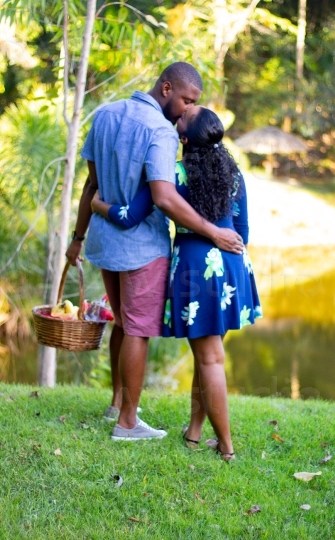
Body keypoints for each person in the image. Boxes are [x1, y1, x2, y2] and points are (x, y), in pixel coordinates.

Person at [66, 62, 243, 442]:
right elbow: (162, 198)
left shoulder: (105, 115)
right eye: (185, 99)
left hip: (104, 242)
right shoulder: (162, 131)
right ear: (166, 88)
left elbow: (90, 185)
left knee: (123, 323)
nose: (185, 110)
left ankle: (118, 402)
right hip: (142, 247)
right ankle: (128, 422)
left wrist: (77, 237)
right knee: (138, 329)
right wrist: (215, 232)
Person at [91, 106, 262, 460]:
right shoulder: (233, 172)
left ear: (183, 139)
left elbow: (129, 216)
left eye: (182, 118)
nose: (177, 116)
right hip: (232, 265)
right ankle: (195, 433)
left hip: (196, 269)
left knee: (210, 359)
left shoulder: (173, 175)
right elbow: (242, 230)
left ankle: (227, 448)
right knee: (209, 357)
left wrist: (98, 204)